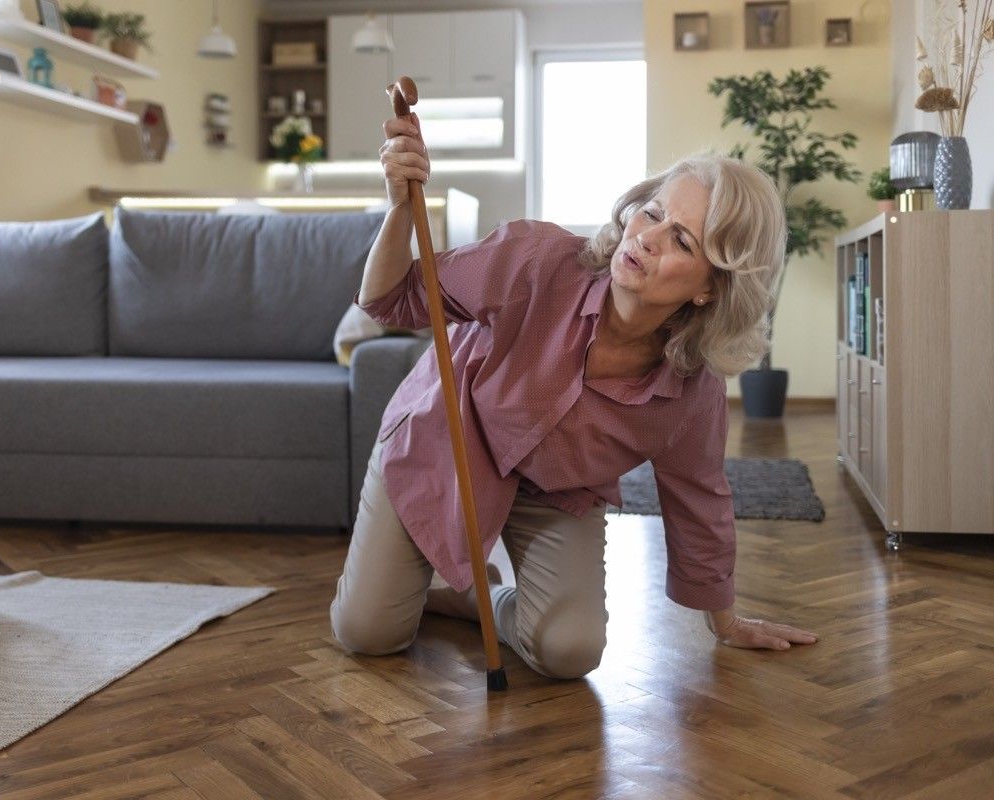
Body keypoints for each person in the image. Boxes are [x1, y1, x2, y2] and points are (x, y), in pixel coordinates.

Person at [330, 111, 819, 680]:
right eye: (653, 213)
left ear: (712, 287)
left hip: (555, 493)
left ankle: (473, 598)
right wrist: (397, 208)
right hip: (446, 445)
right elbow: (391, 299)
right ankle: (444, 587)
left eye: (681, 240)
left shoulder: (692, 392)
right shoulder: (535, 260)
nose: (647, 238)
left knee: (570, 652)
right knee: (367, 634)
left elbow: (699, 499)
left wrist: (726, 623)